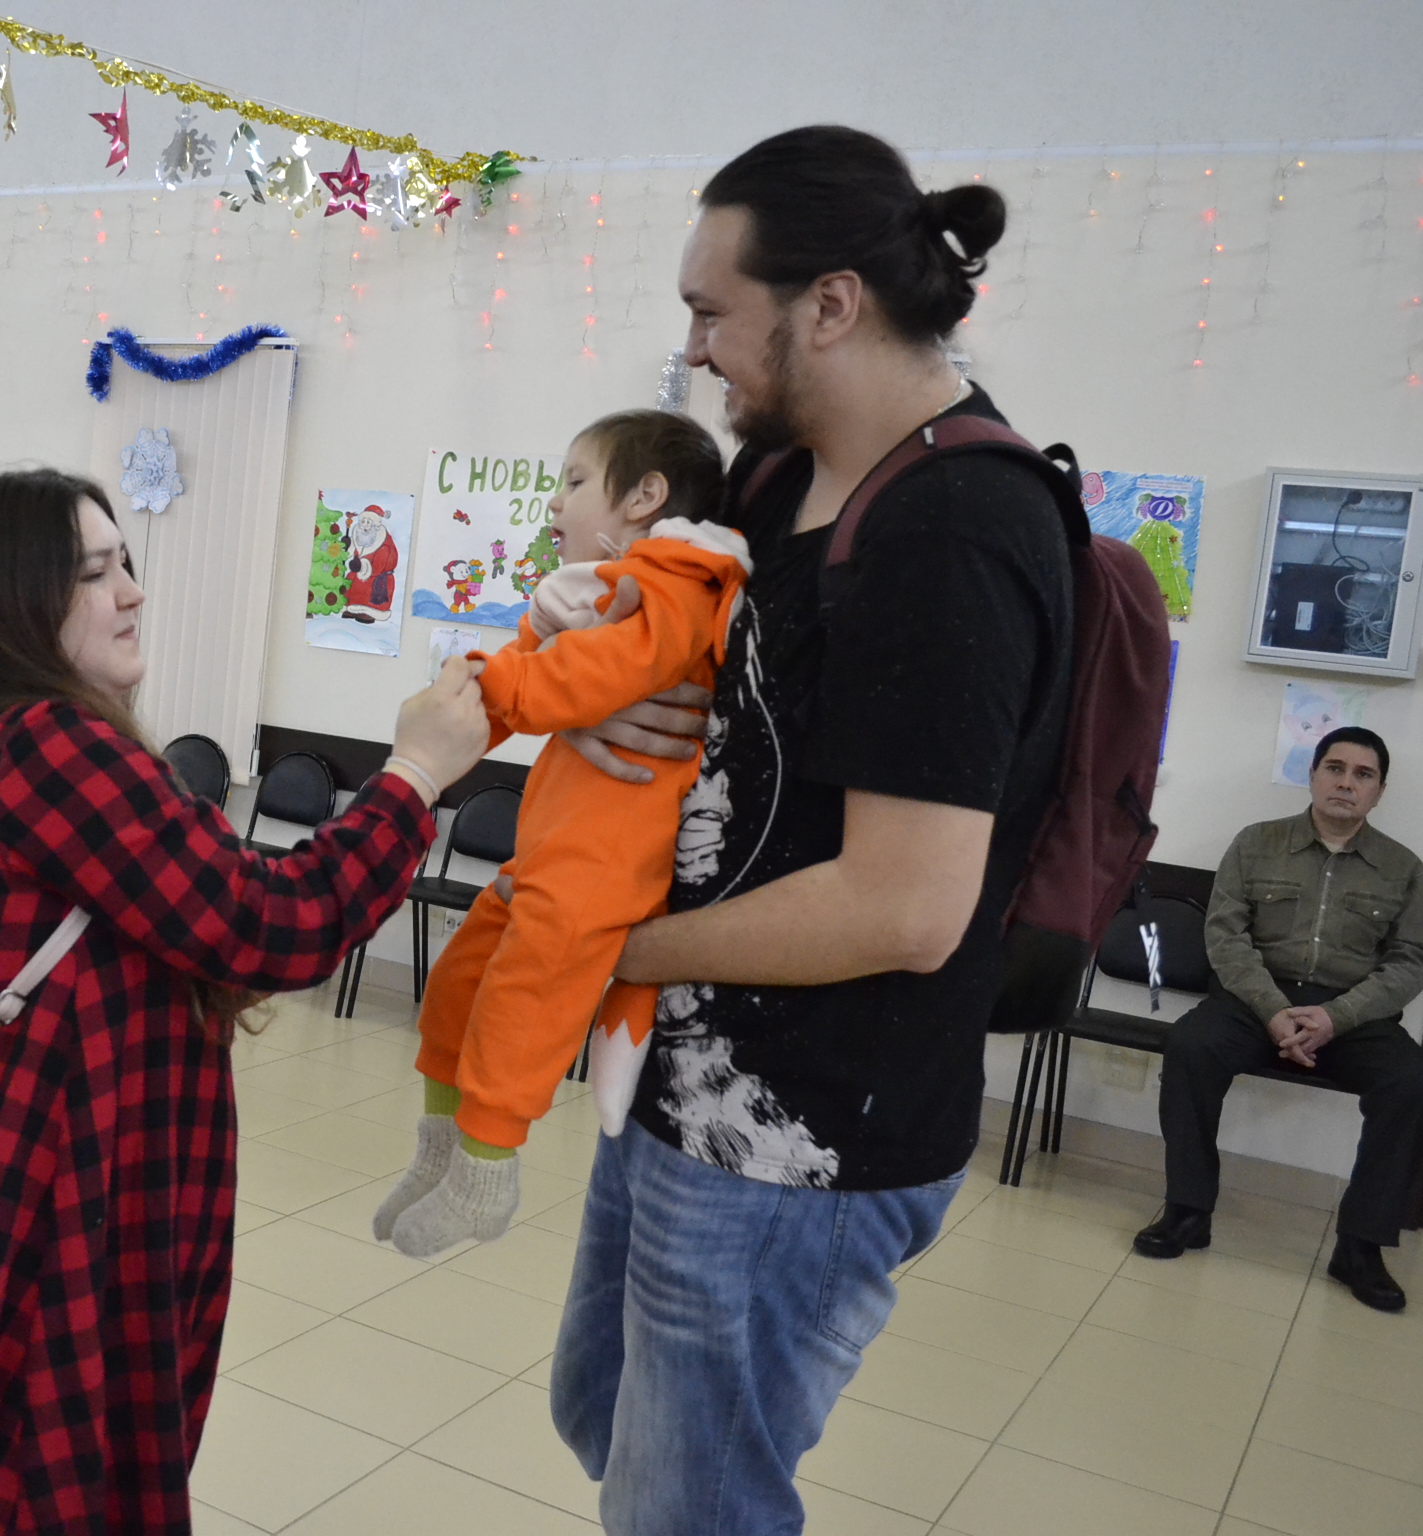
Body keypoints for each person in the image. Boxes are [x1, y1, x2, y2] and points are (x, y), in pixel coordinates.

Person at [537, 125, 1074, 1535]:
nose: (695, 351)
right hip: (680, 1072)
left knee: (689, 1507)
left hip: (805, 1134)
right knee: (599, 1414)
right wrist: (595, 694)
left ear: (830, 303)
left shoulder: (955, 527)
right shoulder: (779, 481)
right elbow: (695, 680)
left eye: (712, 312)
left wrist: (613, 946)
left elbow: (906, 905)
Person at [0, 467, 488, 1534]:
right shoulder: (43, 745)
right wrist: (414, 777)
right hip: (20, 1262)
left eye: (127, 563)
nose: (132, 592)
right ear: (10, 602)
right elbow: (271, 922)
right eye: (92, 573)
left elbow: (200, 918)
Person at [374, 410, 742, 1258]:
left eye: (574, 482)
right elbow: (544, 676)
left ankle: (486, 1170)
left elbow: (588, 674)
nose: (554, 504)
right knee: (458, 985)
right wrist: (467, 711)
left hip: (604, 859)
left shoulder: (678, 578)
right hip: (552, 848)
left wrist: (489, 687)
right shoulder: (602, 585)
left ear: (645, 496)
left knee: (521, 1003)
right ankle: (440, 1153)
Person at [1137, 726, 1423, 1313]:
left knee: (1410, 1080)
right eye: (1334, 768)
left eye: (1363, 775)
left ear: (1379, 791)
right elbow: (1225, 936)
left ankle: (1360, 1246)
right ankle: (1188, 1210)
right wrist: (1273, 1012)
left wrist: (1335, 1017)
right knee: (1191, 1045)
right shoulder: (1256, 843)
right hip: (1253, 1002)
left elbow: (1409, 962)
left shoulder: (1404, 868)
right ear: (1313, 775)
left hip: (1351, 1013)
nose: (1346, 783)